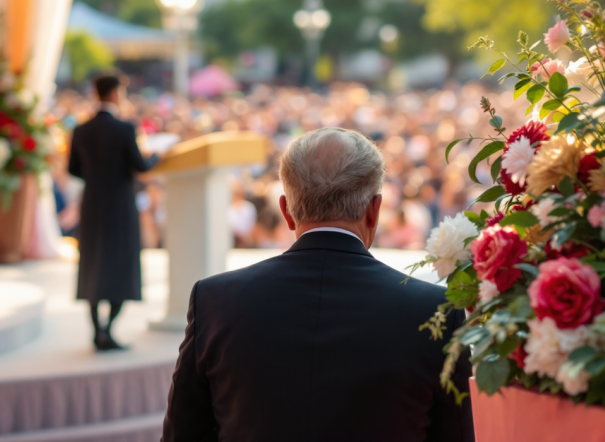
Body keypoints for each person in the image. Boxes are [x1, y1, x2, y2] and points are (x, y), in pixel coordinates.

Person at [162, 127, 473, 442]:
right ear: (374, 210)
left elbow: (181, 435)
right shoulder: (436, 312)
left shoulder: (216, 301)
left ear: (286, 211)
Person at [68, 73, 159, 351]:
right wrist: (157, 155)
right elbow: (141, 165)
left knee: (94, 264)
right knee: (121, 264)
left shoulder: (80, 129)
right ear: (116, 93)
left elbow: (73, 169)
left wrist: (96, 177)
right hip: (119, 204)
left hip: (93, 203)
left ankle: (98, 331)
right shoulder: (124, 128)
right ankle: (108, 330)